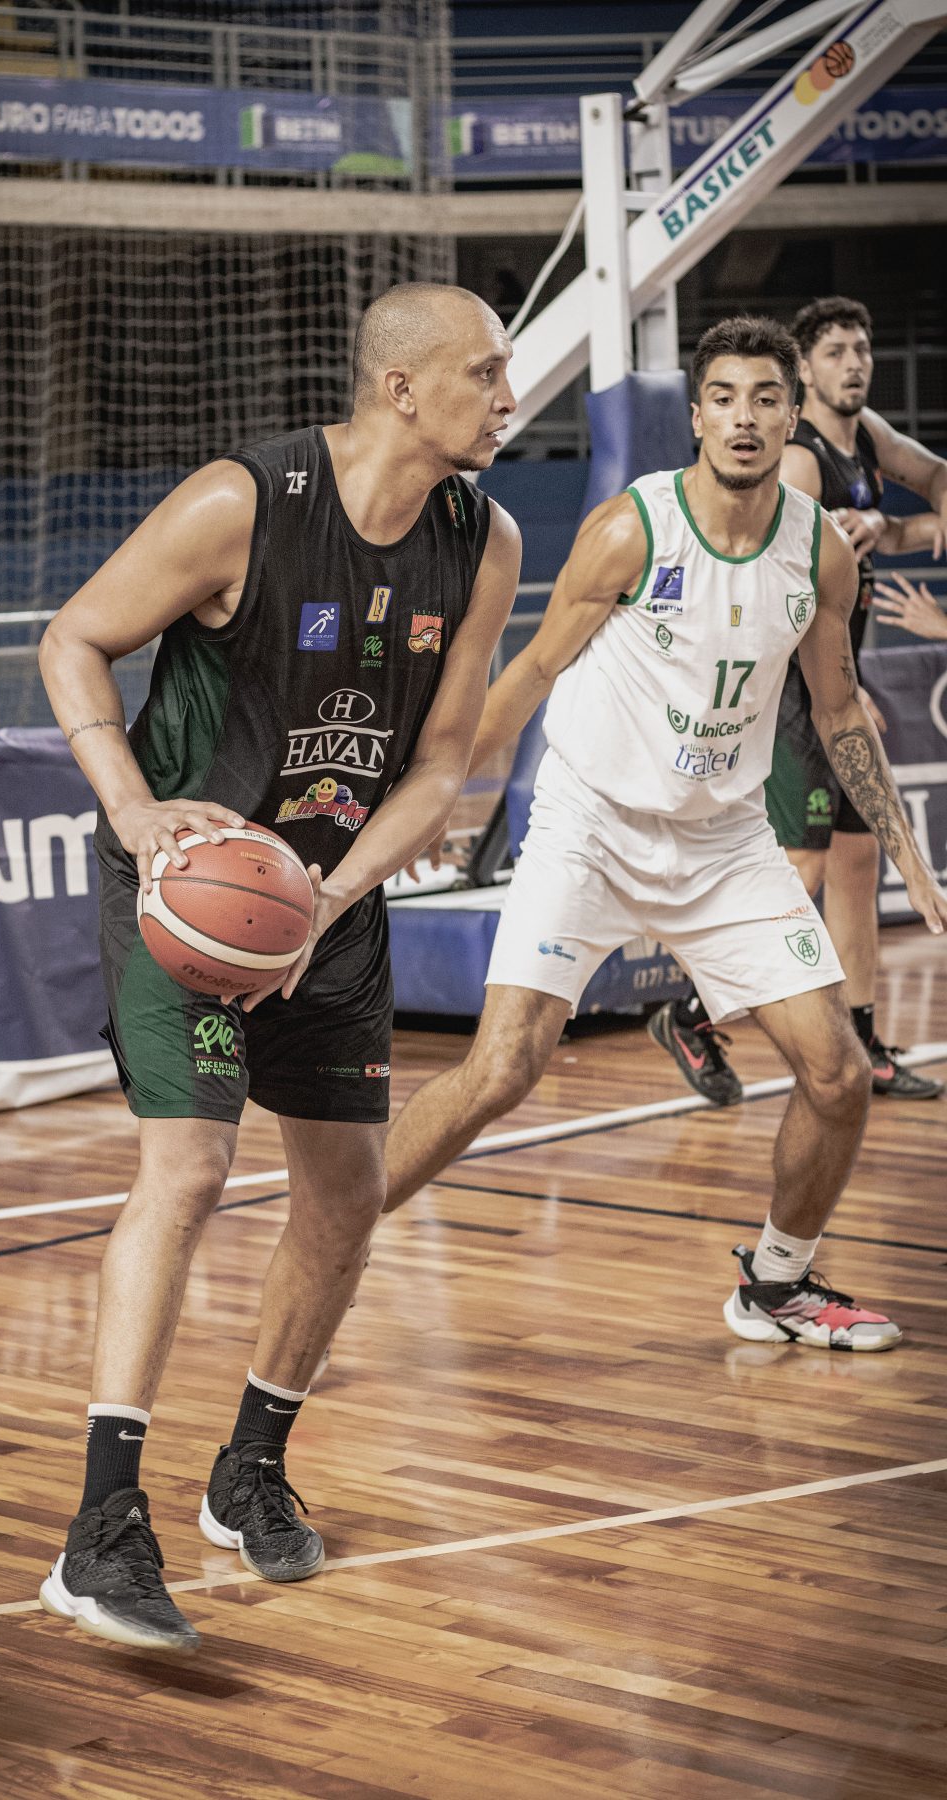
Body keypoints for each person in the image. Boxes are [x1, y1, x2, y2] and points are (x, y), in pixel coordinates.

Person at [34, 283, 521, 1652]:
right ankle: (100, 1527)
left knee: (347, 1192)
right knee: (189, 1168)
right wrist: (135, 811)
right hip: (188, 890)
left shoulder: (483, 539)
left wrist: (333, 896)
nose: (508, 399)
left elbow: (442, 765)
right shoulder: (242, 504)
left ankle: (247, 1468)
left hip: (325, 897)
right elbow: (74, 639)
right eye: (485, 374)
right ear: (402, 388)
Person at [377, 315, 947, 1360]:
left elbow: (838, 711)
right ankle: (333, 1230)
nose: (745, 418)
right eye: (724, 398)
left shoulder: (821, 552)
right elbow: (534, 671)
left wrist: (911, 857)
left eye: (765, 399)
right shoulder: (631, 529)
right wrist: (436, 798)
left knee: (837, 1073)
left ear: (791, 419)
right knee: (503, 1068)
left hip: (724, 841)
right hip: (589, 826)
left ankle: (776, 1286)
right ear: (696, 417)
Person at [650, 298, 947, 1105]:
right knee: (803, 865)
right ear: (804, 374)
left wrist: (892, 523)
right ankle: (690, 1013)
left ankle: (864, 1037)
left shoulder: (866, 436)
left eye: (863, 348)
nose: (855, 363)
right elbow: (772, 593)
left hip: (839, 677)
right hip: (793, 688)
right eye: (836, 351)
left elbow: (937, 479)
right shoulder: (804, 461)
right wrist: (839, 695)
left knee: (856, 862)